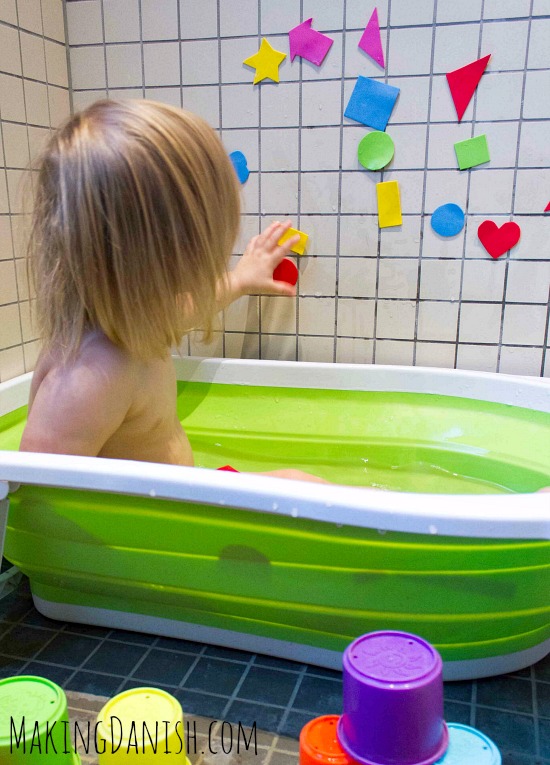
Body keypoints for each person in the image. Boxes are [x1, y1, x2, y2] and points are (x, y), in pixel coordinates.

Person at [19, 99, 327, 483]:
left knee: (300, 483)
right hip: (157, 532)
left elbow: (191, 308)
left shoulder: (131, 321)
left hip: (182, 498)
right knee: (301, 485)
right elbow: (28, 492)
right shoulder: (90, 375)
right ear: (170, 250)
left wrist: (243, 278)